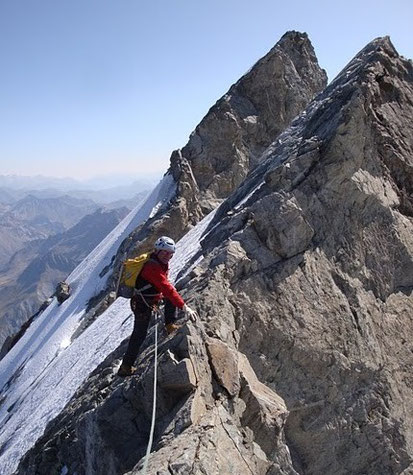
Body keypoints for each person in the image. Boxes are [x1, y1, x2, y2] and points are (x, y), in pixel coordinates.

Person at [118, 236, 197, 376]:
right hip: (142, 304)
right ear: (158, 251)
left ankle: (169, 325)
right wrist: (185, 307)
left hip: (148, 299)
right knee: (139, 334)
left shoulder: (157, 261)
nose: (168, 256)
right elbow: (166, 288)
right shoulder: (152, 267)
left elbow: (164, 287)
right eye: (165, 252)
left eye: (171, 254)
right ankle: (125, 367)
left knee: (169, 298)